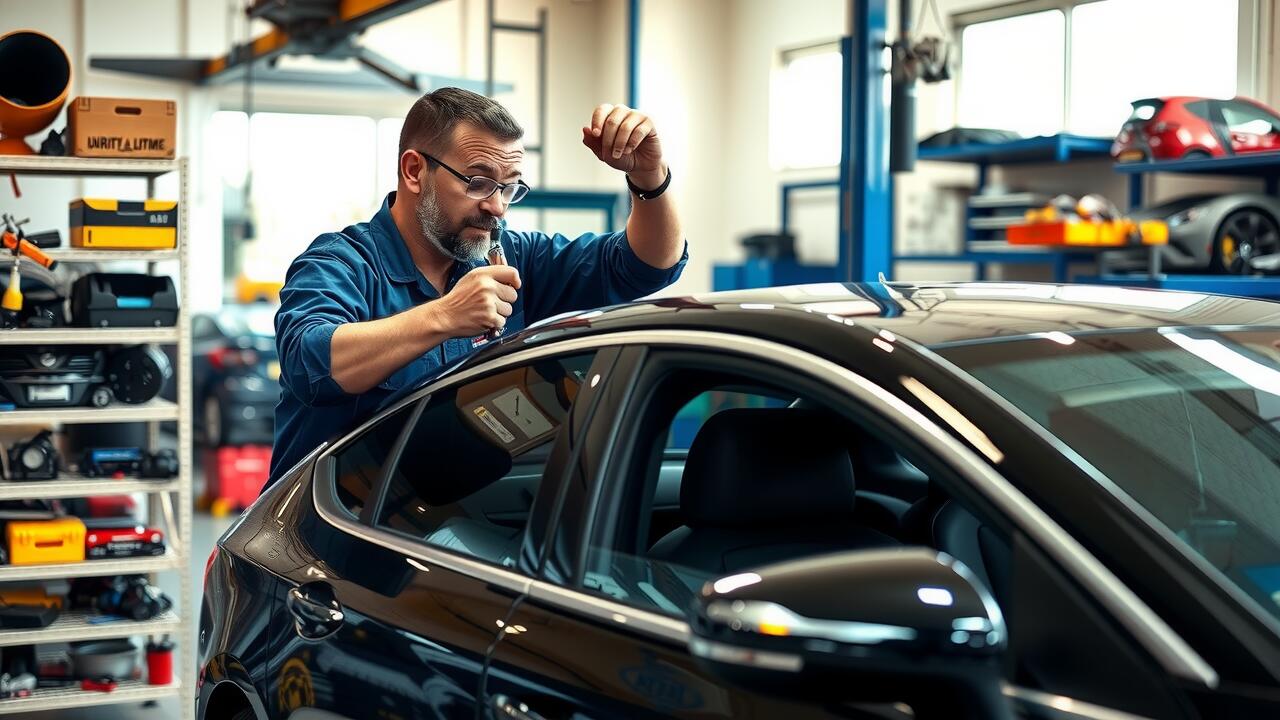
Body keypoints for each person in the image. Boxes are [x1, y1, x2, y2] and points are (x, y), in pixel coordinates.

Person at [267, 87, 687, 485]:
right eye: (478, 182)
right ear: (415, 171)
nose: (497, 206)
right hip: (321, 541)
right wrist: (444, 316)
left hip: (441, 529)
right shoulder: (342, 263)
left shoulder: (511, 257)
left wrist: (650, 176)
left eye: (509, 187)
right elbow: (311, 362)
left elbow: (646, 265)